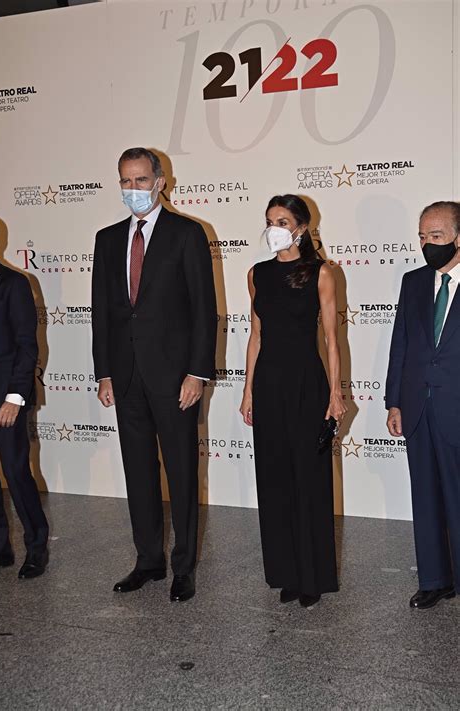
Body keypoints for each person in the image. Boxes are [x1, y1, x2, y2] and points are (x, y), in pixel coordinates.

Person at [92, 148, 217, 602]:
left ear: (161, 181)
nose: (133, 190)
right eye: (125, 181)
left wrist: (197, 373)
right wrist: (103, 372)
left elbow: (205, 311)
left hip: (174, 377)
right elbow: (102, 312)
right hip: (125, 377)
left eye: (141, 181)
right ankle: (148, 560)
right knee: (138, 471)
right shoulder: (107, 240)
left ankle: (184, 565)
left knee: (182, 472)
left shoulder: (188, 233)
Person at [240, 195, 346, 607]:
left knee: (310, 478)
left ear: (301, 227)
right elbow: (255, 335)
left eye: (282, 220)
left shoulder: (322, 273)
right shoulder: (256, 274)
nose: (274, 228)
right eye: (269, 221)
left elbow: (333, 342)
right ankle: (285, 572)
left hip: (307, 382)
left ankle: (313, 577)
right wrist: (248, 390)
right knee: (275, 478)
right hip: (268, 383)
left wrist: (335, 394)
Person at [386, 201, 460, 610]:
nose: (427, 244)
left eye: (436, 236)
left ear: (457, 238)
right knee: (426, 496)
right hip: (417, 406)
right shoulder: (413, 282)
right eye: (422, 236)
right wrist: (394, 401)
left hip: (456, 404)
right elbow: (402, 344)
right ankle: (434, 579)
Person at [0, 216, 49, 579]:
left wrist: (15, 396)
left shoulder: (14, 284)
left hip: (4, 399)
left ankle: (36, 547)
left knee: (16, 474)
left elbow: (27, 346)